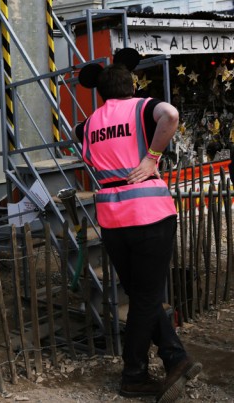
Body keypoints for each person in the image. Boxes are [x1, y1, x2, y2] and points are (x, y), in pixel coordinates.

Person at [75, 49, 202, 403]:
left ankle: (175, 357)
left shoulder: (85, 126)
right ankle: (133, 374)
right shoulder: (141, 108)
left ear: (99, 91)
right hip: (149, 213)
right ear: (131, 86)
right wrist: (152, 157)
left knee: (141, 294)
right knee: (148, 297)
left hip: (112, 220)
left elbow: (90, 154)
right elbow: (171, 115)